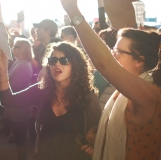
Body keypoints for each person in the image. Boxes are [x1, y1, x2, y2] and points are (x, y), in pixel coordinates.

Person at [60, 0, 161, 160]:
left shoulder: (150, 94)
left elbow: (104, 63)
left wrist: (73, 11)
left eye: (118, 52)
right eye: (112, 50)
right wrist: (102, 147)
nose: (113, 56)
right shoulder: (122, 93)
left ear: (139, 61)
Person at [0, 41, 101, 160]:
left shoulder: (87, 97)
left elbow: (98, 136)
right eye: (53, 61)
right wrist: (3, 70)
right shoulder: (42, 91)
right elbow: (8, 100)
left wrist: (94, 148)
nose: (57, 65)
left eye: (64, 61)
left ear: (75, 65)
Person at [2, 37, 34, 160]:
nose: (13, 48)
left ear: (23, 49)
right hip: (16, 106)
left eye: (16, 47)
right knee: (18, 137)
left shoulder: (24, 66)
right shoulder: (18, 62)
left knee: (21, 137)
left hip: (20, 107)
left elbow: (16, 87)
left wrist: (5, 81)